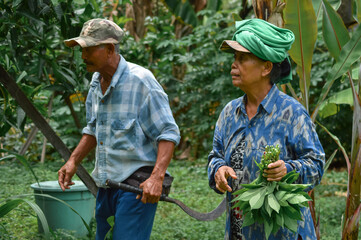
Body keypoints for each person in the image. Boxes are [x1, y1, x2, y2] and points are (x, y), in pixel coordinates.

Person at [57, 18, 180, 240]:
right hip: (106, 184)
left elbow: (168, 133)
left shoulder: (141, 81)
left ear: (110, 49)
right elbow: (94, 128)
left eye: (89, 49)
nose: (83, 56)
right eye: (81, 50)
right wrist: (73, 161)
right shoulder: (96, 82)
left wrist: (156, 178)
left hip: (136, 187)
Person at [207, 18, 325, 240]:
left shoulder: (291, 113)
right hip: (239, 231)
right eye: (234, 58)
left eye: (243, 58)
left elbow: (316, 164)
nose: (234, 64)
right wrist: (218, 170)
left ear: (266, 67)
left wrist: (288, 170)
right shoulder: (229, 113)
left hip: (283, 233)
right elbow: (215, 156)